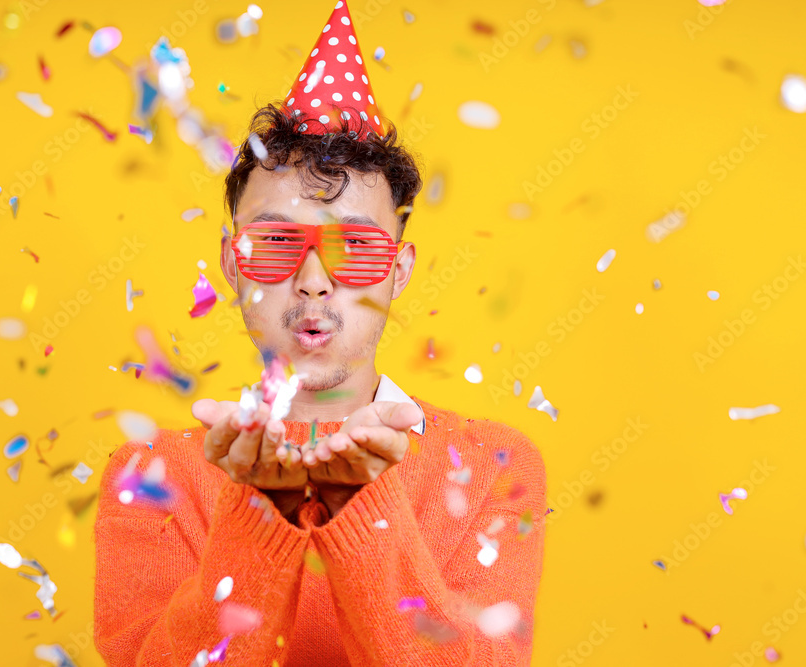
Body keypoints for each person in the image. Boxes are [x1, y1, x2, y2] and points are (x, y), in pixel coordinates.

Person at [94, 2, 546, 665]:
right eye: (276, 241)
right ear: (230, 262)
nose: (312, 280)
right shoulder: (149, 475)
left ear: (397, 270)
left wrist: (361, 504)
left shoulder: (494, 467)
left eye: (354, 248)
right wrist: (260, 513)